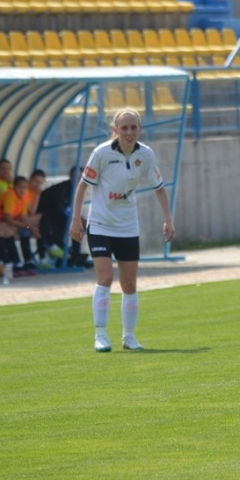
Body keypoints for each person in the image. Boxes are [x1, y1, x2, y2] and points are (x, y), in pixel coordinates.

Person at [69, 107, 176, 353]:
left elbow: (159, 187)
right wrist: (76, 220)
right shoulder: (102, 153)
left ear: (139, 129)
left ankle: (129, 337)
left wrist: (168, 220)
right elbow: (83, 187)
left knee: (129, 283)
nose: (129, 132)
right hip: (101, 225)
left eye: (133, 127)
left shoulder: (146, 155)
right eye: (124, 128)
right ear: (115, 130)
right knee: (105, 278)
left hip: (128, 226)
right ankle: (101, 335)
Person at [38, 166, 92, 268]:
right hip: (46, 217)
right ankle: (65, 255)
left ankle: (75, 255)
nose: (79, 179)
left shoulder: (78, 188)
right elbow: (58, 208)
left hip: (57, 216)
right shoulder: (64, 188)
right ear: (70, 176)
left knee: (78, 225)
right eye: (76, 177)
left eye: (81, 177)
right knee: (68, 224)